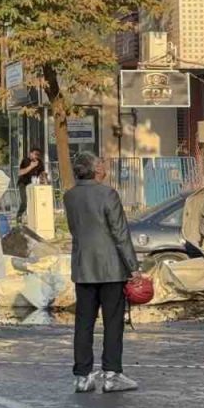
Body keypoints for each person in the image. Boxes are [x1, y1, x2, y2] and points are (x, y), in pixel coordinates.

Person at [63, 152, 141, 393]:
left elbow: (75, 230)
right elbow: (120, 233)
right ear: (96, 170)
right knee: (113, 322)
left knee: (84, 323)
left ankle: (82, 376)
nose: (104, 167)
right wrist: (133, 267)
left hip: (83, 267)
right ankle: (112, 374)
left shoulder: (70, 196)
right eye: (101, 163)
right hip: (111, 269)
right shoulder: (108, 194)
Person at [16, 147, 46, 223]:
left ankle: (35, 218)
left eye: (38, 155)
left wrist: (43, 178)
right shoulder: (25, 160)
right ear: (31, 153)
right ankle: (19, 216)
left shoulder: (40, 162)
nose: (36, 156)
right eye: (35, 154)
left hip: (34, 184)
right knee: (24, 201)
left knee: (36, 201)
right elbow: (20, 172)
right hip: (23, 183)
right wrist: (31, 166)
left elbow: (42, 172)